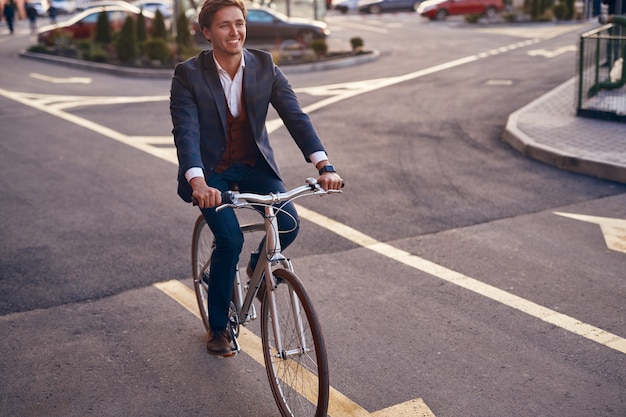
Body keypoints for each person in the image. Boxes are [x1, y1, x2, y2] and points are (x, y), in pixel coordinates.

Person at [170, 0, 343, 357]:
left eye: (239, 23)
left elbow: (295, 116)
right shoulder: (188, 74)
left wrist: (323, 165)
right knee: (229, 240)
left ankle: (256, 267)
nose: (235, 32)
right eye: (224, 26)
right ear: (206, 33)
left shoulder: (264, 65)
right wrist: (198, 182)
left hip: (253, 165)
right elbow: (185, 132)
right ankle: (218, 326)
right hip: (211, 172)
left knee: (289, 222)